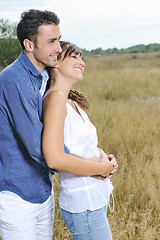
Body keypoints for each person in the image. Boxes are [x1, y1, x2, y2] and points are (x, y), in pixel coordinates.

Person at [0, 10, 117, 240]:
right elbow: (39, 147)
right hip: (18, 196)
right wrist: (95, 166)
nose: (58, 47)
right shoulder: (14, 81)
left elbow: (65, 137)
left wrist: (97, 156)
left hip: (43, 191)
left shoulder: (42, 77)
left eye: (58, 38)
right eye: (51, 41)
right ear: (29, 45)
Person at [42, 41, 118, 240]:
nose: (82, 62)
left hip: (94, 199)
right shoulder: (55, 100)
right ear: (55, 63)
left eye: (81, 58)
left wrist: (104, 158)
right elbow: (55, 157)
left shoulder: (71, 101)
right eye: (74, 57)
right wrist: (100, 168)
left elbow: (81, 145)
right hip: (83, 203)